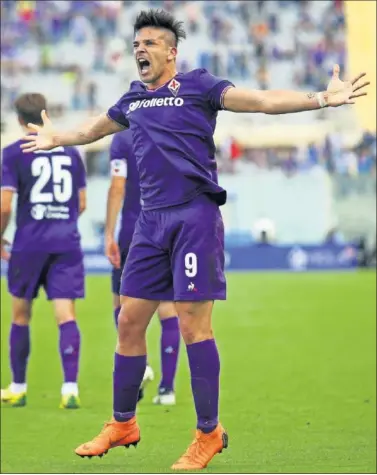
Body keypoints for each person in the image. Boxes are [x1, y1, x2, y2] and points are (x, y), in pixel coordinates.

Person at [20, 9, 369, 470]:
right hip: (149, 223)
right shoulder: (132, 100)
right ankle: (123, 422)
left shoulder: (201, 86)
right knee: (128, 321)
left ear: (171, 51)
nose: (140, 50)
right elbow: (90, 131)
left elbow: (261, 100)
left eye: (149, 43)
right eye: (136, 44)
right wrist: (55, 137)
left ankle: (208, 433)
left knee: (191, 326)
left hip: (195, 217)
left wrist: (321, 99)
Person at [1, 93, 87, 409]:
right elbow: (81, 203)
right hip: (66, 242)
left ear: (20, 119)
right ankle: (70, 389)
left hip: (29, 243)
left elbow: (5, 205)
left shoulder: (13, 153)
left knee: (21, 315)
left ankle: (19, 387)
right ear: (44, 114)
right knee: (66, 315)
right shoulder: (71, 153)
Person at [106, 129, 180, 405]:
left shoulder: (123, 138)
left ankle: (140, 366)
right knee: (168, 307)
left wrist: (108, 233)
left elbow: (117, 186)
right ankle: (167, 390)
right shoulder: (170, 132)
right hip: (170, 227)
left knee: (123, 303)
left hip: (133, 230)